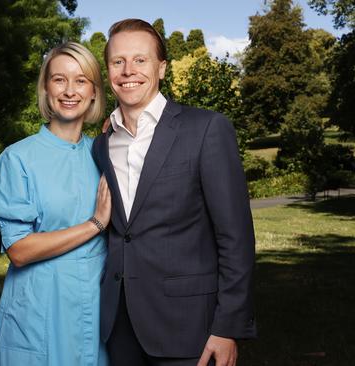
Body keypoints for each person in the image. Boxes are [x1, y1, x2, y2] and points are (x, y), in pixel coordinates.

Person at [91, 19, 257, 366]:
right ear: (108, 71)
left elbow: (236, 238)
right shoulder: (102, 145)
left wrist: (227, 326)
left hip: (190, 327)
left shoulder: (206, 128)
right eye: (117, 61)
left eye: (140, 60)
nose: (128, 71)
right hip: (120, 327)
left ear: (162, 68)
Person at [0, 42, 111, 366]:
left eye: (81, 80)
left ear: (94, 92)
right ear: (46, 88)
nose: (70, 90)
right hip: (38, 314)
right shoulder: (18, 159)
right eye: (59, 79)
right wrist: (94, 224)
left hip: (94, 313)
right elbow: (20, 250)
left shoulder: (105, 155)